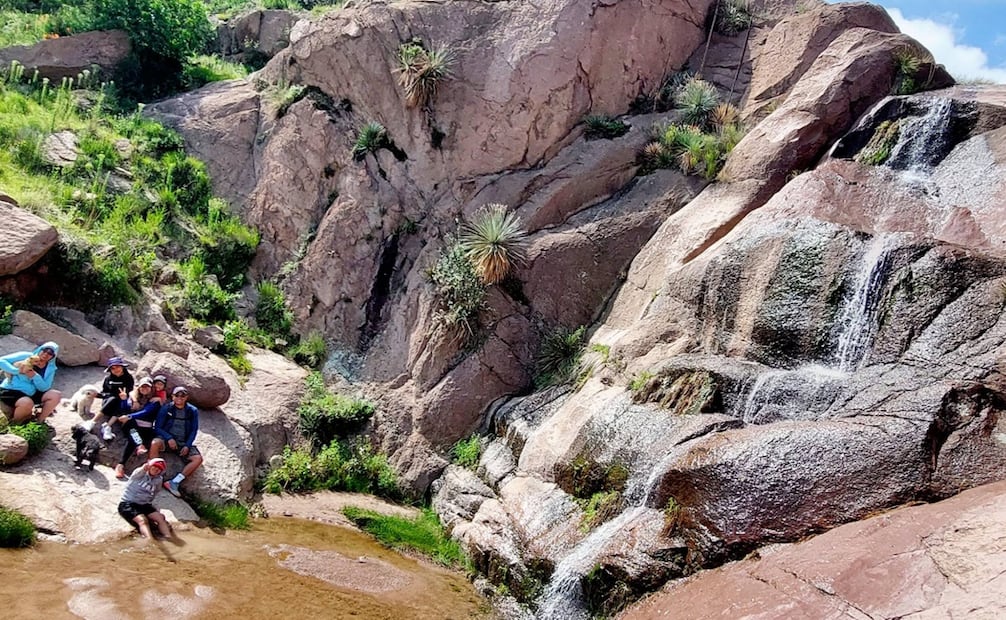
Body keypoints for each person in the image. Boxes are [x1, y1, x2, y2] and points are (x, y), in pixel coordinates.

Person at [149, 386, 203, 497]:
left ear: (186, 397)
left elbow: (193, 430)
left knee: (197, 459)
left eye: (182, 395)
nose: (179, 398)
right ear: (172, 396)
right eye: (176, 395)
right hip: (167, 440)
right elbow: (157, 427)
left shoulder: (192, 411)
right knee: (155, 443)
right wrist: (168, 438)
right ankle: (151, 476)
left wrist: (187, 445)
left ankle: (174, 482)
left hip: (182, 442)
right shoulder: (166, 408)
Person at [113, 376, 162, 480]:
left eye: (147, 387)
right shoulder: (134, 398)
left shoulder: (154, 401)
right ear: (139, 388)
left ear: (151, 388)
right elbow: (125, 409)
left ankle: (121, 465)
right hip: (132, 426)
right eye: (142, 387)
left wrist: (130, 416)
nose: (144, 389)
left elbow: (146, 412)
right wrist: (123, 400)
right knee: (132, 428)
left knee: (132, 437)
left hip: (145, 428)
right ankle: (139, 446)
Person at [0, 341, 61, 424]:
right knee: (26, 402)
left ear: (53, 357)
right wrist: (17, 371)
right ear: (40, 349)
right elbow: (2, 361)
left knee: (55, 395)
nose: (46, 354)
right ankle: (15, 425)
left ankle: (39, 421)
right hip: (12, 389)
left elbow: (45, 387)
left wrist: (35, 376)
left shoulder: (50, 368)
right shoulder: (26, 356)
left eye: (50, 353)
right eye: (45, 350)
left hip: (32, 392)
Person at [117, 457, 174, 540]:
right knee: (143, 520)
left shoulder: (158, 480)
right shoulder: (139, 474)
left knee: (160, 518)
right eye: (154, 467)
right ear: (150, 466)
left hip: (144, 505)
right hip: (128, 503)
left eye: (159, 469)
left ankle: (169, 538)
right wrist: (144, 467)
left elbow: (155, 492)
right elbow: (141, 470)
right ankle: (150, 540)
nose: (156, 469)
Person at [94, 357, 134, 441]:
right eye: (113, 368)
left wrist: (125, 396)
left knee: (119, 402)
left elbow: (130, 391)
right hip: (108, 403)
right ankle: (93, 422)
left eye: (118, 366)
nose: (116, 370)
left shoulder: (128, 378)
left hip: (122, 403)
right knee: (113, 399)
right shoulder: (108, 379)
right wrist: (97, 395)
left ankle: (107, 426)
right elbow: (105, 392)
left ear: (122, 367)